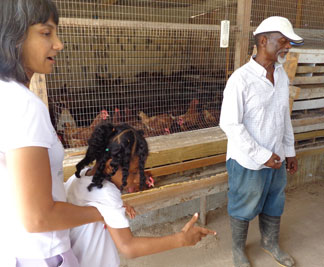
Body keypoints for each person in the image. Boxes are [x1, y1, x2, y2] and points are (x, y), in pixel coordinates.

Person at [0, 0, 103, 266]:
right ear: (13, 35)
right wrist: (102, 212)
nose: (59, 44)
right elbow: (39, 218)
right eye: (46, 33)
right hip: (42, 254)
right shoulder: (25, 104)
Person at [65, 122, 217, 267]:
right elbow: (128, 247)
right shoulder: (107, 195)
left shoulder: (81, 176)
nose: (138, 179)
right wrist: (181, 239)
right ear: (110, 167)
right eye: (133, 172)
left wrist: (118, 204)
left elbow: (93, 201)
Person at [219, 16, 302, 267]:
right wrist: (261, 154)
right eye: (283, 41)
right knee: (243, 205)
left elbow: (283, 117)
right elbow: (230, 124)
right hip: (248, 161)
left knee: (274, 202)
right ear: (263, 41)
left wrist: (289, 151)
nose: (287, 46)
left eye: (288, 42)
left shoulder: (281, 75)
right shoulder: (240, 80)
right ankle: (237, 250)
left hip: (276, 158)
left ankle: (270, 243)